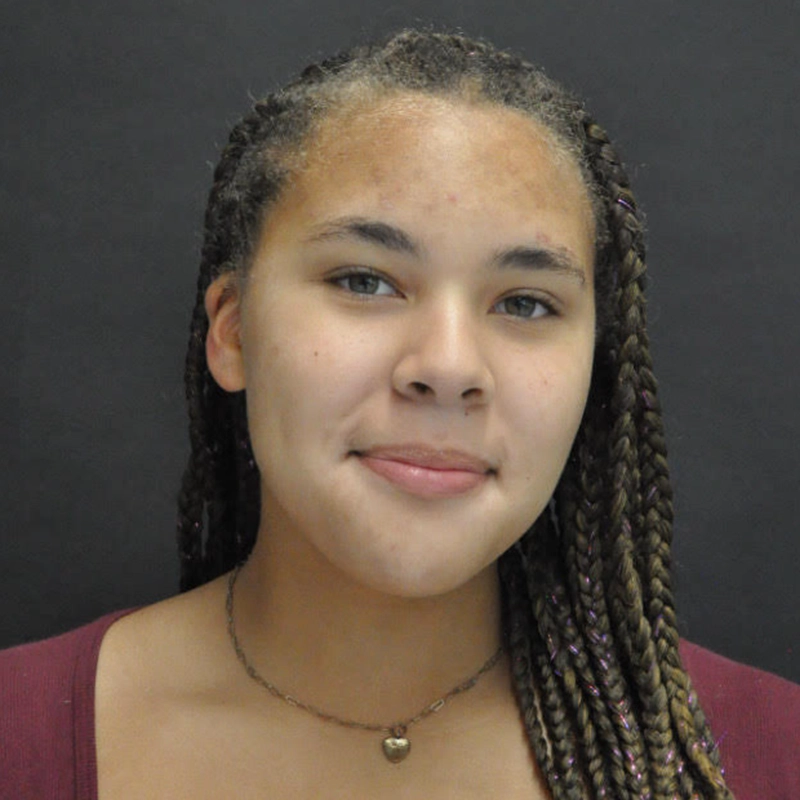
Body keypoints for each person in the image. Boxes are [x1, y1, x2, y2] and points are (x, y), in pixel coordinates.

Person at [1, 29, 798, 800]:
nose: (447, 368)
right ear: (234, 332)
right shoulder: (19, 733)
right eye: (364, 282)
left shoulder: (771, 756)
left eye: (525, 302)